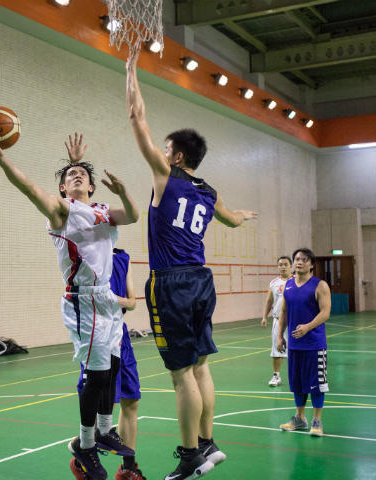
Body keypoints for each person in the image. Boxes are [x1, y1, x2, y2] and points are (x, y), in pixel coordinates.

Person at [126, 45, 258, 480]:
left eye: (166, 149)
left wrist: (132, 71)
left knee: (181, 373)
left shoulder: (164, 178)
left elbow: (136, 118)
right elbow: (233, 220)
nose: (160, 153)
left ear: (176, 156)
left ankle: (190, 456)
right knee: (201, 365)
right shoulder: (207, 190)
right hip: (202, 280)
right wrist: (243, 216)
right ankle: (208, 443)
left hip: (172, 283)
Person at [0, 131, 139, 480]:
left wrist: (123, 190)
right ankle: (84, 445)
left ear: (93, 188)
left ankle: (104, 429)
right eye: (70, 175)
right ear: (64, 189)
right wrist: (0, 157)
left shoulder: (100, 211)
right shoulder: (60, 210)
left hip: (107, 299)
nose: (77, 176)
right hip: (83, 299)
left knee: (111, 368)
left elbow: (133, 215)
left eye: (82, 174)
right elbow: (28, 188)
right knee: (96, 375)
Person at [72, 248, 144, 480]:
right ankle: (84, 454)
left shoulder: (123, 257)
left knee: (131, 398)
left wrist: (119, 300)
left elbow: (132, 302)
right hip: (95, 329)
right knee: (96, 394)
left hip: (119, 332)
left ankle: (128, 467)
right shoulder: (86, 252)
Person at [277, 248, 331, 437]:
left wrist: (308, 327)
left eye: (304, 260)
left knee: (316, 383)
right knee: (297, 383)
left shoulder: (320, 285)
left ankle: (317, 420)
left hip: (314, 344)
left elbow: (325, 312)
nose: (299, 262)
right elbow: (283, 312)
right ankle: (300, 418)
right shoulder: (288, 285)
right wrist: (279, 336)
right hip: (294, 345)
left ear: (311, 264)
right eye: (297, 259)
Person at [261, 256, 293, 387]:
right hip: (278, 321)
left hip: (294, 322)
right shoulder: (273, 282)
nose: (283, 267)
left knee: (296, 349)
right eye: (280, 264)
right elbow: (269, 301)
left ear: (291, 266)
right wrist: (264, 316)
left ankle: (298, 375)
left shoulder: (296, 281)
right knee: (276, 349)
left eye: (285, 264)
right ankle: (276, 376)